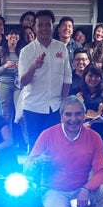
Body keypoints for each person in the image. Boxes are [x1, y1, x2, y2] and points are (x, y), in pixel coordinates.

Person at [25, 96, 103, 207]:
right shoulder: (47, 134)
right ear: (61, 117)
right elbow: (27, 167)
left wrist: (86, 189)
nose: (73, 119)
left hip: (81, 190)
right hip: (54, 190)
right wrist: (37, 161)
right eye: (68, 114)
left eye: (78, 114)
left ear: (84, 116)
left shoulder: (94, 137)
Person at [19, 10, 71, 146]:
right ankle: (34, 168)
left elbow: (67, 77)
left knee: (54, 146)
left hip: (55, 107)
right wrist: (34, 67)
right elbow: (23, 82)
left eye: (47, 25)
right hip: (32, 107)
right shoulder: (27, 51)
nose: (44, 28)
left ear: (53, 27)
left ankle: (53, 168)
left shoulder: (61, 48)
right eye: (40, 25)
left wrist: (63, 102)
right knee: (36, 146)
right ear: (35, 28)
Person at [0, 26, 21, 123]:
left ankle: (27, 138)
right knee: (6, 114)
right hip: (4, 84)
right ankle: (7, 138)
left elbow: (26, 71)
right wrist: (5, 66)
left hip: (18, 84)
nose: (13, 36)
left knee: (20, 113)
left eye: (16, 34)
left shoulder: (22, 51)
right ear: (6, 37)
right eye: (11, 34)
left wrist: (19, 68)